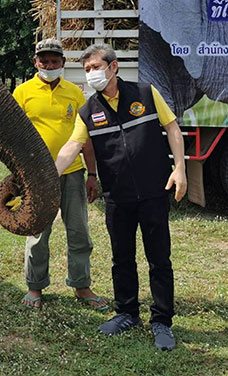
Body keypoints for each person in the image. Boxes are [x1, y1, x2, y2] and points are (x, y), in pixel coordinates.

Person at [54, 44, 187, 351]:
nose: (91, 74)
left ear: (113, 67)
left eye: (96, 67)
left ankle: (162, 321)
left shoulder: (145, 93)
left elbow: (172, 128)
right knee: (121, 258)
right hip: (117, 196)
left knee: (159, 259)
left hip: (154, 191)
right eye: (87, 70)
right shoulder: (88, 110)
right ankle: (127, 313)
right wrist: (51, 173)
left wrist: (179, 168)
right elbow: (72, 146)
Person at [12, 39, 108, 311]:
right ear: (35, 62)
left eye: (55, 61)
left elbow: (85, 138)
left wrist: (92, 174)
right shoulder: (22, 92)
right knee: (38, 232)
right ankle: (35, 286)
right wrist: (18, 173)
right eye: (44, 61)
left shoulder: (75, 93)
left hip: (73, 173)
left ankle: (81, 285)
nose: (49, 65)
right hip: (37, 176)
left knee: (79, 232)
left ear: (63, 63)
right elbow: (13, 137)